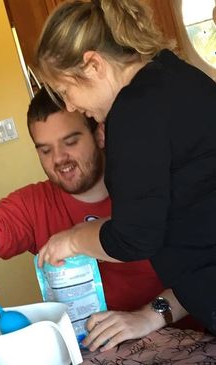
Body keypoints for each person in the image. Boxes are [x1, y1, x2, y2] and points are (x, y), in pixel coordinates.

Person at [0, 88, 200, 351]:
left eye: (71, 141)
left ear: (100, 135)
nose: (59, 159)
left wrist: (147, 317)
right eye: (45, 150)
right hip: (91, 350)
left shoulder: (152, 187)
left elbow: (205, 269)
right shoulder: (35, 203)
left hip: (185, 339)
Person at [34, 0, 216, 342]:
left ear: (93, 65)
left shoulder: (133, 111)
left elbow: (134, 238)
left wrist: (73, 240)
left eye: (65, 90)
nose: (72, 106)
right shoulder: (174, 74)